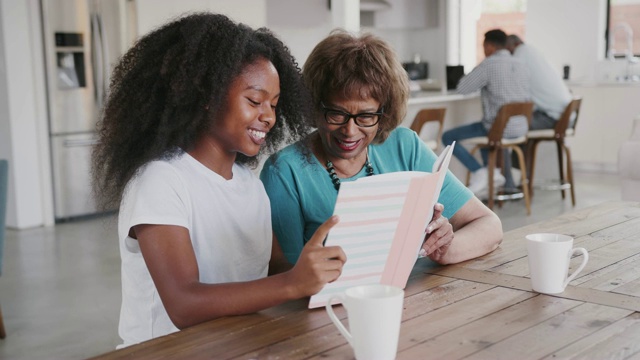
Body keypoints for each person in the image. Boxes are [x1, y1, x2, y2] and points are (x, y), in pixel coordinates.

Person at [90, 13, 346, 348]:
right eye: (254, 101)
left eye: (274, 104)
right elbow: (184, 303)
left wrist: (332, 265)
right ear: (208, 95)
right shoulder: (160, 181)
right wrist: (292, 284)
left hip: (236, 347)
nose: (268, 116)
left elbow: (278, 268)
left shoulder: (248, 183)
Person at [260, 30, 502, 267]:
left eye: (365, 116)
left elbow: (489, 225)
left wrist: (445, 249)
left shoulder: (405, 147)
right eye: (336, 113)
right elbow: (285, 279)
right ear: (314, 106)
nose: (350, 131)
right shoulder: (284, 171)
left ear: (384, 112)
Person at [442, 29, 531, 197]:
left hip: (498, 130)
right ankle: (491, 175)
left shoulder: (488, 64)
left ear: (489, 46)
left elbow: (462, 88)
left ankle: (481, 172)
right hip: (521, 129)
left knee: (448, 137)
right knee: (485, 129)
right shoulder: (521, 64)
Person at [506, 34, 572, 130]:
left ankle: (516, 145)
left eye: (508, 50)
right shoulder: (533, 51)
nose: (507, 55)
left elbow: (513, 84)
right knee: (518, 121)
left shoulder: (520, 53)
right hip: (566, 116)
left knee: (511, 125)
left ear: (515, 44)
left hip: (554, 119)